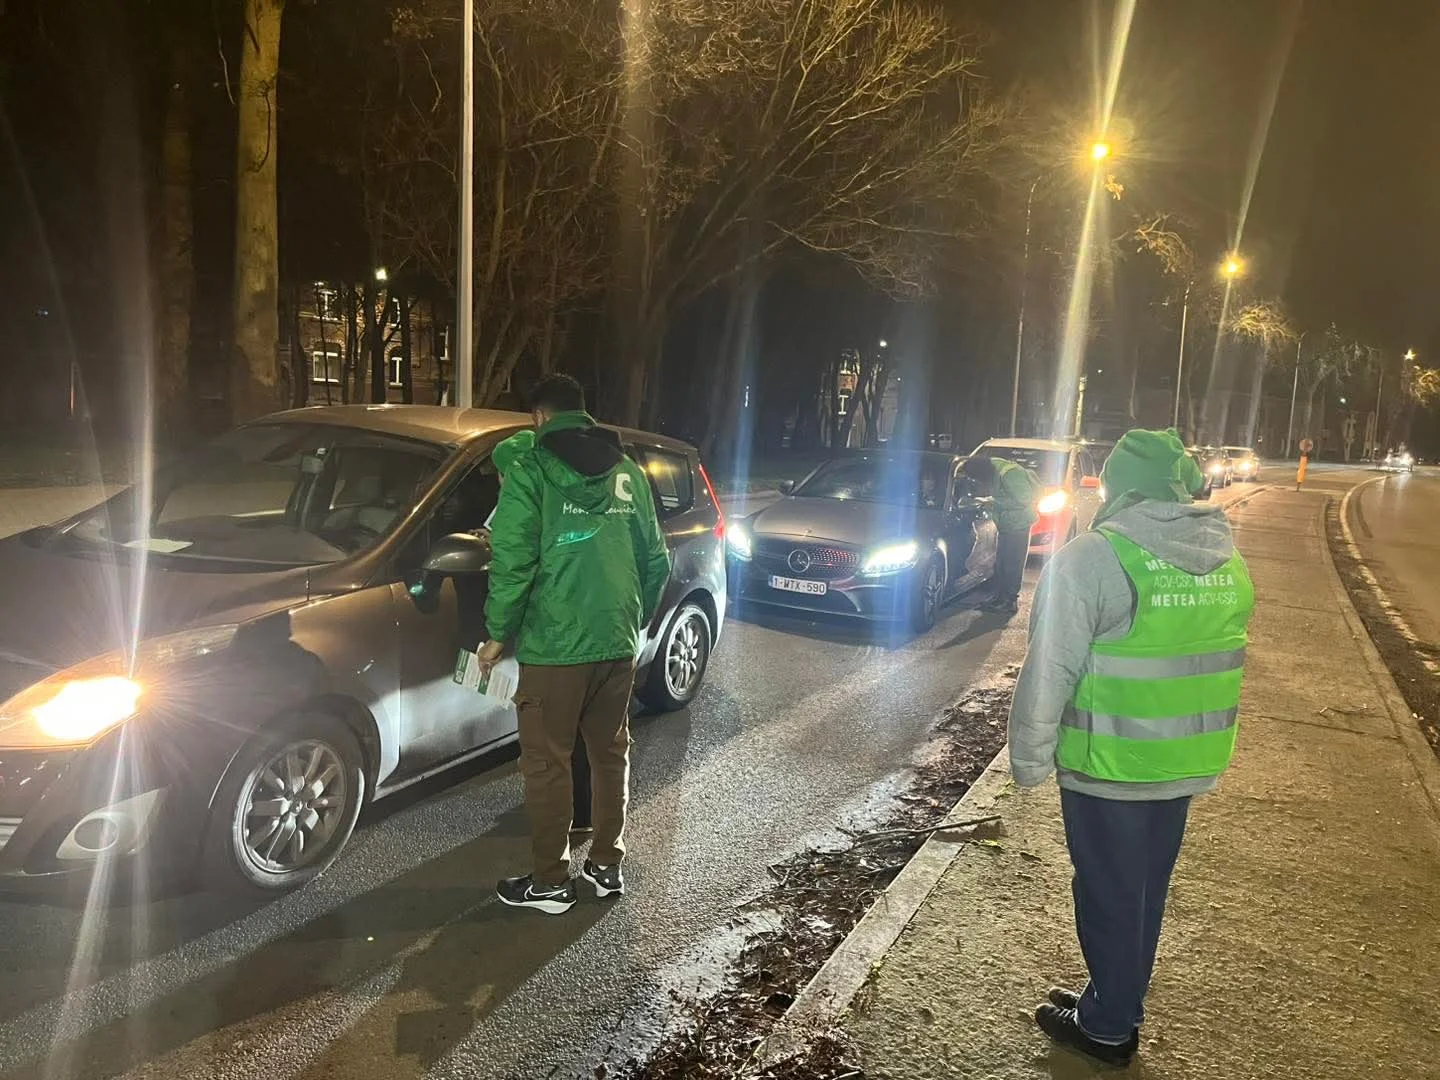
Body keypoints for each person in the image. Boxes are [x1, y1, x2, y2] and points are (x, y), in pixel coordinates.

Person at [1009, 427, 1252, 1065]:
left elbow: (1050, 668)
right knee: (1142, 893)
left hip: (1109, 764)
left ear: (1118, 487)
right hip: (1184, 762)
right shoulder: (1224, 556)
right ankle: (1111, 997)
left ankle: (1108, 1029)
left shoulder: (1094, 558)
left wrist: (1029, 758)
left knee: (1108, 897)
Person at [477, 374, 671, 914]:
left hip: (557, 646)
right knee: (610, 753)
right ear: (583, 413)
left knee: (547, 763)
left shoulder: (531, 471)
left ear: (539, 417)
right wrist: (635, 619)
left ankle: (550, 882)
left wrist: (497, 635)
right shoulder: (628, 472)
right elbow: (657, 559)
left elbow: (512, 562)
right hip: (617, 640)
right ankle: (607, 865)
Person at [485, 430, 594, 835]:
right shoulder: (569, 495)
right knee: (586, 729)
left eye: (501, 474)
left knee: (554, 735)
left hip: (557, 638)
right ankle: (585, 814)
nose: (499, 483)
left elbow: (514, 570)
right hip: (596, 633)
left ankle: (564, 826)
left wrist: (498, 635)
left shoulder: (524, 501)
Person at [962, 455, 1041, 615]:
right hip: (1007, 524)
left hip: (1018, 524)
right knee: (1002, 563)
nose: (977, 482)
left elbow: (1024, 500)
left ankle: (1009, 601)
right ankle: (999, 598)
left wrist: (992, 502)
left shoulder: (1009, 473)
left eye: (976, 478)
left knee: (1012, 563)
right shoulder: (995, 472)